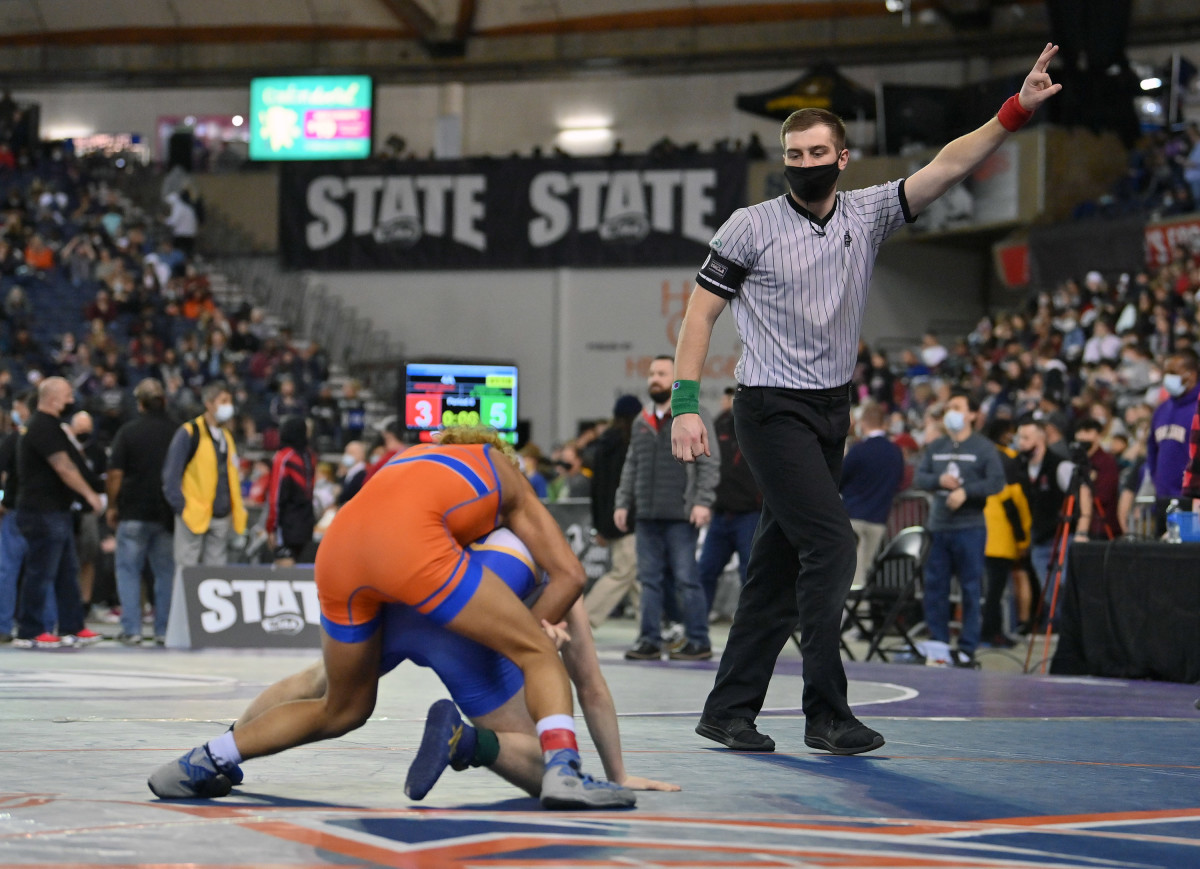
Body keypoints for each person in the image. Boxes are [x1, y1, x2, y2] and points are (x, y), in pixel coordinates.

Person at [671, 46, 1062, 753]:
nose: (804, 161)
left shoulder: (870, 212)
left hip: (830, 410)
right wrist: (685, 404)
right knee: (832, 542)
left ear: (843, 157)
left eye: (818, 150)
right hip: (768, 406)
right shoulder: (748, 226)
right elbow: (699, 315)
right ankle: (826, 713)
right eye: (794, 152)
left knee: (777, 566)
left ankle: (728, 709)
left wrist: (1014, 111)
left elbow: (947, 165)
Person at [147, 426, 635, 810]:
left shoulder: (406, 458)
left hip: (339, 553)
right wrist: (529, 631)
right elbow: (569, 576)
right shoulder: (504, 477)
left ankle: (212, 757)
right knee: (536, 655)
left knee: (341, 705)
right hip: (417, 565)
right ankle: (563, 769)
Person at [201, 526, 677, 803]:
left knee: (319, 681)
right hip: (469, 628)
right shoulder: (555, 557)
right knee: (548, 764)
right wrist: (618, 774)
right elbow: (589, 683)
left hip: (404, 593)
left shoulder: (449, 514)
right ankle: (468, 742)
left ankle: (224, 751)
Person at [616, 355, 717, 662]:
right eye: (651, 374)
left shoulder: (695, 415)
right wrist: (623, 502)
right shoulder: (641, 421)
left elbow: (709, 462)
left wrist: (702, 500)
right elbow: (631, 464)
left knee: (687, 579)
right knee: (648, 580)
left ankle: (698, 640)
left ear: (676, 378)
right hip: (646, 514)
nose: (653, 379)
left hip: (680, 513)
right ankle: (649, 639)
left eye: (661, 373)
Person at [914, 391, 1004, 667]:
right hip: (939, 526)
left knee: (970, 588)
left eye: (958, 406)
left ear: (973, 415)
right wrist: (938, 479)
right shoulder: (937, 446)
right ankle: (939, 644)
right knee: (935, 586)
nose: (951, 411)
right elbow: (919, 477)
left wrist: (967, 492)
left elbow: (997, 482)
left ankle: (967, 648)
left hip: (970, 527)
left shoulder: (984, 447)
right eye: (950, 406)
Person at [12, 377, 104, 648]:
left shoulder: (51, 427)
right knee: (41, 571)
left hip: (57, 511)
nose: (71, 400)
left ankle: (72, 626)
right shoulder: (41, 426)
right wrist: (89, 494)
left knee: (67, 572)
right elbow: (64, 467)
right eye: (67, 395)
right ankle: (29, 630)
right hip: (42, 511)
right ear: (52, 398)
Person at [106, 378, 178, 645]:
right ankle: (163, 630)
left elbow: (115, 473)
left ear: (140, 404)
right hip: (166, 514)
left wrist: (113, 505)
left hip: (133, 511)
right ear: (164, 402)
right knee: (165, 574)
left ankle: (132, 629)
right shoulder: (177, 432)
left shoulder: (128, 431)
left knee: (128, 571)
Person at [161, 381, 247, 572]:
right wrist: (182, 508)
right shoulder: (189, 432)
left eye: (229, 401)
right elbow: (171, 476)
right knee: (186, 572)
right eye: (223, 401)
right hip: (193, 514)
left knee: (215, 577)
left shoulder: (226, 436)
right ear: (209, 403)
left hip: (221, 516)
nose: (228, 406)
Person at [1015, 415, 1091, 629]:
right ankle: (1062, 629)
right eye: (1020, 438)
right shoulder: (1021, 467)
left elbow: (1083, 492)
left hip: (1064, 535)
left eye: (1026, 438)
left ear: (1040, 440)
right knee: (1049, 591)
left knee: (1066, 586)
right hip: (1039, 538)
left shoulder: (1060, 465)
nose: (1021, 443)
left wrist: (1083, 530)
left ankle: (1073, 630)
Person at [696, 386, 761, 617]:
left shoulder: (759, 424)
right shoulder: (720, 425)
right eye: (728, 396)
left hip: (750, 514)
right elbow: (707, 462)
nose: (730, 400)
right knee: (705, 571)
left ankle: (754, 626)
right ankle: (697, 630)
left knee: (750, 574)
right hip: (722, 514)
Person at [582, 394, 643, 628]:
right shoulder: (630, 444)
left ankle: (652, 626)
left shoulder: (603, 445)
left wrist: (599, 524)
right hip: (628, 517)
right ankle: (584, 619)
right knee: (623, 572)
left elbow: (596, 489)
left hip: (609, 518)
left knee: (636, 575)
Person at [839, 402, 904, 592]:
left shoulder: (860, 450)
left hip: (854, 518)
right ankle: (861, 617)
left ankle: (855, 619)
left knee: (852, 574)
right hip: (879, 519)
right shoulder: (895, 451)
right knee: (864, 571)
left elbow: (840, 478)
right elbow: (899, 480)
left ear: (864, 423)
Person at [980, 419, 1032, 648]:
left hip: (981, 533)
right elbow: (1013, 502)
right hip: (1001, 536)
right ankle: (992, 633)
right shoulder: (1007, 460)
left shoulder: (981, 454)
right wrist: (1023, 538)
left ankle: (987, 632)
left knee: (986, 590)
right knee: (996, 591)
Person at [1144, 350, 1199, 533]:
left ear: (1191, 375)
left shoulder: (1196, 408)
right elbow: (1152, 449)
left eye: (1173, 373)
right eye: (1166, 372)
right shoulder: (1162, 409)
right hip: (1163, 500)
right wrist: (1156, 478)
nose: (1168, 378)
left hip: (1192, 502)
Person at [265, 416, 317, 566]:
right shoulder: (310, 456)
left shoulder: (284, 457)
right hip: (306, 522)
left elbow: (275, 496)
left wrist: (271, 527)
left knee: (284, 567)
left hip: (287, 522)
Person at [1072, 418, 1120, 540]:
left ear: (1098, 435)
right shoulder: (1076, 462)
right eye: (1080, 432)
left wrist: (1085, 492)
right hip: (1079, 524)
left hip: (1101, 525)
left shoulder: (1106, 462)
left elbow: (1104, 494)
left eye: (1087, 431)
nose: (1083, 436)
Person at [335, 439, 367, 506]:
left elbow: (349, 494)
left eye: (350, 453)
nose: (346, 455)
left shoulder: (363, 473)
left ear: (361, 454)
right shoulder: (348, 472)